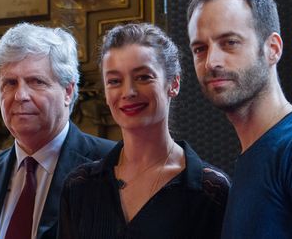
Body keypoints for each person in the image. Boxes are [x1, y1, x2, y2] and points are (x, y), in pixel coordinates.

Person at [58, 23, 230, 239]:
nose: (128, 92)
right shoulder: (79, 185)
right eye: (114, 81)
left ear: (174, 83)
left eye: (143, 77)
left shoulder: (211, 190)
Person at [0, 22, 115, 239]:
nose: (20, 95)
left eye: (36, 82)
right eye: (9, 83)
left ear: (67, 90)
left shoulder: (111, 164)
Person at [187, 0, 292, 238]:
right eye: (200, 49)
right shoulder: (253, 155)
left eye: (230, 42)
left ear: (272, 49)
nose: (212, 61)